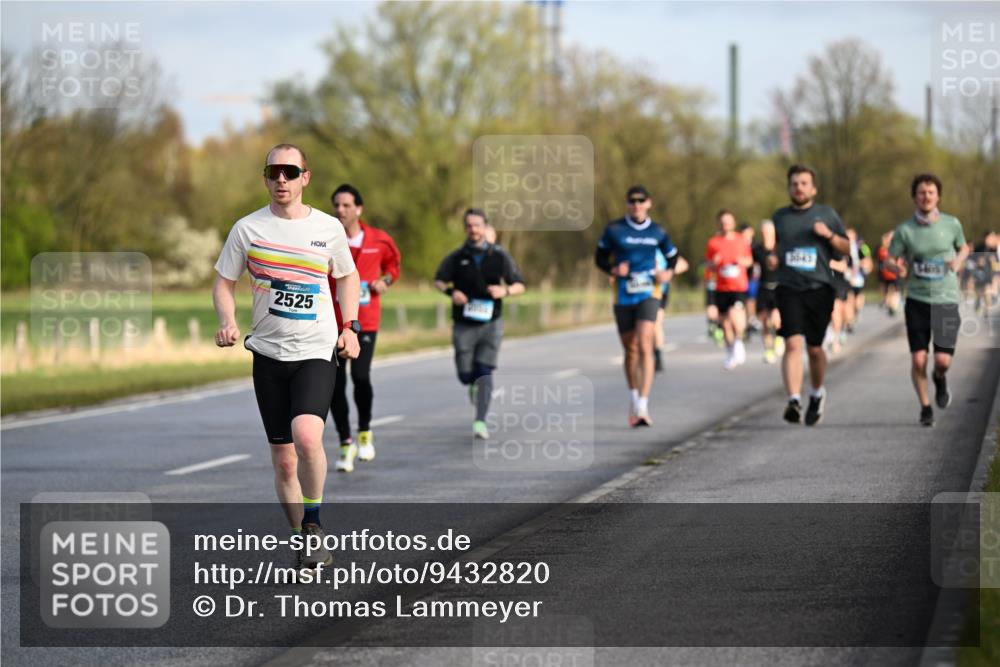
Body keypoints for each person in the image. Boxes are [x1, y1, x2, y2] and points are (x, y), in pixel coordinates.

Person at [213, 144, 360, 569]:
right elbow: (224, 282)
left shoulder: (328, 228)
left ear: (305, 178)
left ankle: (314, 524)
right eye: (274, 171)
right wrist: (227, 319)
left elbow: (347, 277)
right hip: (268, 354)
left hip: (316, 349)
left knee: (308, 436)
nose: (282, 179)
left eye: (290, 172)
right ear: (265, 178)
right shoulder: (247, 229)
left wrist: (349, 327)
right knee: (283, 458)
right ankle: (301, 538)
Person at [882, 173, 969, 426]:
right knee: (918, 358)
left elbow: (964, 247)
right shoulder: (905, 230)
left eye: (930, 192)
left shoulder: (952, 224)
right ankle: (925, 407)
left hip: (945, 299)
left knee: (942, 361)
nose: (926, 196)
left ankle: (940, 379)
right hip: (918, 300)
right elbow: (889, 257)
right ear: (914, 197)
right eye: (921, 192)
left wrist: (959, 260)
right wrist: (895, 267)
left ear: (938, 196)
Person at [327, 184, 401, 473]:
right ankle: (345, 443)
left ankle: (365, 432)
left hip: (365, 320)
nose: (340, 210)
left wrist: (387, 280)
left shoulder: (379, 240)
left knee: (360, 376)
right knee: (335, 385)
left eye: (346, 205)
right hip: (331, 321)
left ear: (359, 209)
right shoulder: (325, 239)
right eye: (336, 205)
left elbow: (393, 265)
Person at [767, 164, 849, 426]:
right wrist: (772, 259)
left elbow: (847, 248)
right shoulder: (780, 217)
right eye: (794, 183)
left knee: (814, 348)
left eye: (803, 183)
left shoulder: (827, 214)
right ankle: (793, 399)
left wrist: (829, 235)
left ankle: (816, 393)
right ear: (789, 187)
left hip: (820, 288)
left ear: (813, 188)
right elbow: (775, 251)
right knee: (792, 343)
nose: (798, 188)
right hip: (789, 287)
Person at [434, 208, 525, 439]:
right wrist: (452, 293)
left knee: (484, 371)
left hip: (491, 322)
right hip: (464, 322)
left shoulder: (500, 256)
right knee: (466, 375)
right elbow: (439, 281)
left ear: (485, 227)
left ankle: (480, 421)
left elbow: (520, 285)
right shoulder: (456, 257)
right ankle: (472, 385)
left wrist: (504, 290)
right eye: (469, 225)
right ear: (466, 228)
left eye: (477, 225)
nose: (473, 229)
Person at [595, 185, 679, 426]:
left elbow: (672, 256)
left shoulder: (658, 231)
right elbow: (598, 257)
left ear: (649, 203)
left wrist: (667, 273)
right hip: (622, 294)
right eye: (632, 201)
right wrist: (612, 269)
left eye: (641, 200)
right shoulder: (614, 229)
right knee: (630, 349)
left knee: (645, 341)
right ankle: (633, 396)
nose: (637, 205)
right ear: (627, 204)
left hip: (649, 292)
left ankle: (643, 405)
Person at [705, 210, 753, 369]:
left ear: (733, 223)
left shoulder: (741, 240)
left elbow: (749, 261)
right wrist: (714, 262)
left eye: (728, 221)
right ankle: (730, 351)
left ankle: (738, 342)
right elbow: (708, 267)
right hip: (721, 287)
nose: (726, 224)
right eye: (723, 221)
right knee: (725, 324)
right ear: (719, 223)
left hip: (738, 286)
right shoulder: (713, 242)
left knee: (735, 318)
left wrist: (741, 261)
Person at [752, 219, 783, 363]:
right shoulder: (756, 249)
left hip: (778, 288)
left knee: (776, 320)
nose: (766, 235)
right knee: (764, 322)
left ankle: (778, 338)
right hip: (763, 288)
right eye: (763, 233)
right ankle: (768, 350)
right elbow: (750, 266)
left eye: (769, 232)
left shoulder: (780, 248)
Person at [653, 250, 689, 372]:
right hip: (640, 291)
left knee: (656, 323)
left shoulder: (662, 248)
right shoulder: (637, 245)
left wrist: (669, 272)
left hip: (660, 291)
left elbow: (683, 264)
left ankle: (657, 354)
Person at [877, 231, 902, 316]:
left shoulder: (898, 248)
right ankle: (888, 303)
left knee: (896, 290)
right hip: (884, 274)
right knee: (887, 291)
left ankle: (893, 307)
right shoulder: (881, 249)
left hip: (895, 273)